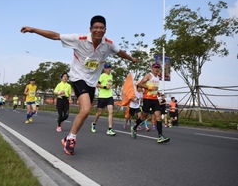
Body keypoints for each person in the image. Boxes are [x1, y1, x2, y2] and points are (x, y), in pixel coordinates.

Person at [21, 15, 138, 155]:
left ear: (105, 30)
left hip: (92, 82)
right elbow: (55, 36)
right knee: (87, 108)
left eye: (101, 28)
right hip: (77, 77)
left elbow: (120, 52)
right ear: (90, 29)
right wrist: (33, 29)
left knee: (84, 111)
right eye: (96, 27)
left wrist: (131, 58)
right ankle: (71, 139)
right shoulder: (79, 39)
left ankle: (68, 137)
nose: (98, 30)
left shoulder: (108, 44)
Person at [134, 63, 170, 143]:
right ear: (152, 68)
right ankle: (135, 127)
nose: (157, 69)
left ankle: (160, 136)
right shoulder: (149, 75)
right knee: (144, 117)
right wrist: (150, 88)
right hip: (147, 99)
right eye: (155, 68)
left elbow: (154, 89)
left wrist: (157, 93)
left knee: (158, 117)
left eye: (158, 68)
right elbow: (139, 84)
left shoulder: (157, 77)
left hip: (155, 99)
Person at [91, 63, 116, 136]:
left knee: (111, 112)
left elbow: (109, 85)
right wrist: (105, 87)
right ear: (104, 69)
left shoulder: (111, 76)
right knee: (99, 113)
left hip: (109, 96)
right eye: (108, 68)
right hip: (102, 97)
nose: (109, 69)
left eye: (110, 68)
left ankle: (110, 129)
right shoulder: (102, 76)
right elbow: (97, 84)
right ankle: (94, 123)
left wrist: (111, 86)